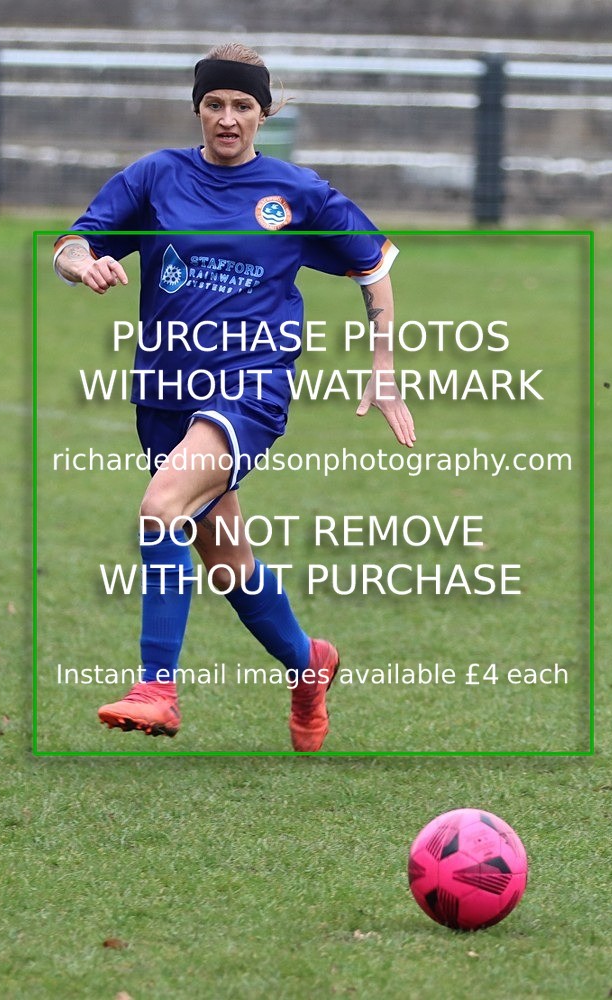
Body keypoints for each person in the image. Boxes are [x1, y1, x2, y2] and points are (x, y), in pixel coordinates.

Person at [53, 42, 415, 752]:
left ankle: (156, 687)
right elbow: (71, 242)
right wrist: (82, 263)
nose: (227, 118)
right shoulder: (156, 176)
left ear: (264, 112)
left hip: (252, 383)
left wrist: (383, 361)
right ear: (197, 109)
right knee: (226, 560)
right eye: (214, 104)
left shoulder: (299, 192)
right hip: (165, 389)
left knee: (160, 509)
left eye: (242, 105)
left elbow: (373, 264)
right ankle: (309, 666)